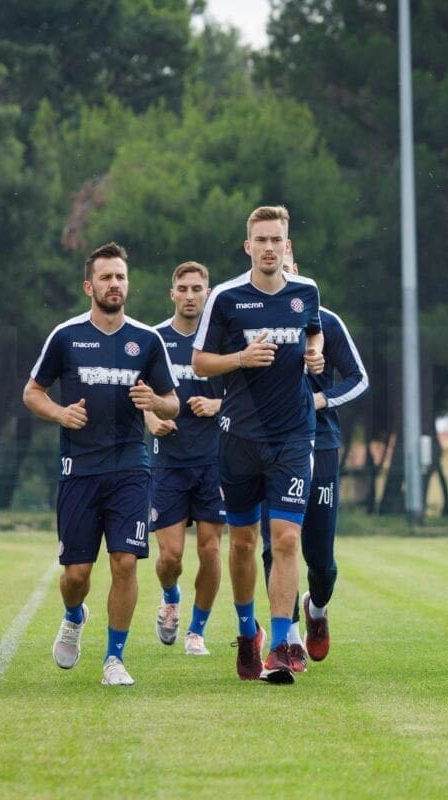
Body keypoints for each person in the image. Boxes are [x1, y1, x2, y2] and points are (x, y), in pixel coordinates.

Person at [23, 242, 179, 686]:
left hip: (131, 468)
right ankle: (74, 615)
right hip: (79, 470)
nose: (115, 284)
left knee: (125, 563)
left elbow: (173, 404)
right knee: (76, 574)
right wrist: (60, 413)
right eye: (107, 277)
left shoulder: (146, 341)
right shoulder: (66, 336)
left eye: (121, 277)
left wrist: (157, 403)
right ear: (89, 285)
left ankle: (114, 658)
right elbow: (32, 392)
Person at [192, 205, 324, 684]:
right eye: (261, 240)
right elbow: (201, 363)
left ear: (287, 247)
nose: (269, 248)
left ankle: (282, 647)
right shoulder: (226, 298)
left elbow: (313, 331)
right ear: (248, 246)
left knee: (286, 539)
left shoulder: (305, 291)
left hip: (293, 434)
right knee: (244, 542)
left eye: (277, 240)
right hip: (239, 437)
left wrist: (315, 352)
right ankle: (249, 633)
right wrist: (242, 358)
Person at [259, 249, 369, 673]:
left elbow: (359, 379)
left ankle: (316, 608)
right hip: (270, 446)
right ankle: (285, 638)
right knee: (275, 545)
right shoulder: (251, 318)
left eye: (287, 263)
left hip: (320, 445)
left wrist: (321, 398)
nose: (280, 270)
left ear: (297, 271)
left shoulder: (326, 320)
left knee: (320, 559)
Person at [146, 262, 226, 656]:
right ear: (172, 293)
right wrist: (150, 419)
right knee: (170, 557)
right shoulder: (155, 340)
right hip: (169, 464)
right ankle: (170, 596)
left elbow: (247, 397)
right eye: (184, 288)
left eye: (198, 288)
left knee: (210, 551)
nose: (191, 295)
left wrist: (218, 403)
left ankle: (197, 630)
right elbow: (138, 394)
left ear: (207, 294)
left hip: (215, 463)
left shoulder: (221, 342)